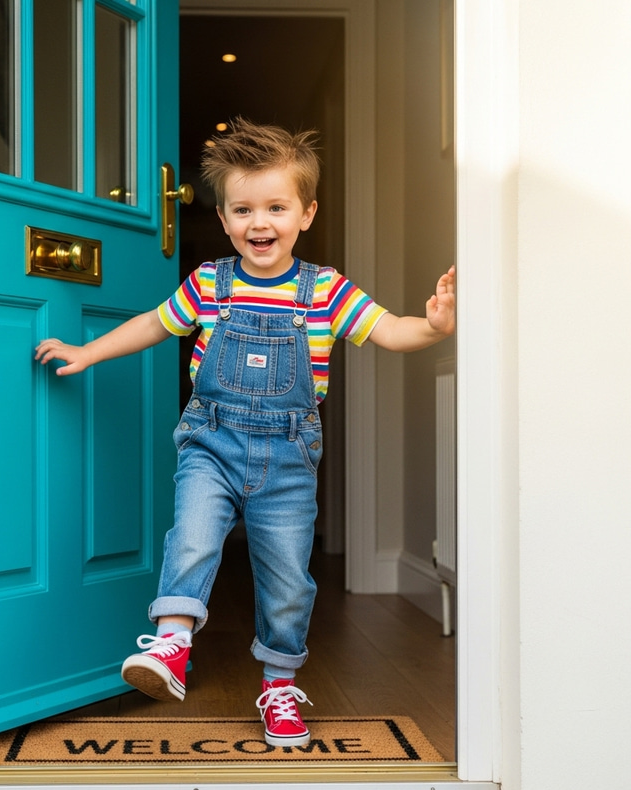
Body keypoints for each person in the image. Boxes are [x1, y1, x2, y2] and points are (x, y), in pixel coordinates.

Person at [35, 118, 456, 748]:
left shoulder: (326, 291)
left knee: (288, 576)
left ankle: (280, 684)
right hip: (212, 440)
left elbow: (390, 330)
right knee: (195, 536)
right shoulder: (210, 284)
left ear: (306, 214)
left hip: (288, 454)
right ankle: (173, 644)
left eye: (276, 207)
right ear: (226, 218)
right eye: (243, 209)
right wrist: (88, 352)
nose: (260, 222)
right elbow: (154, 324)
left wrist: (433, 326)